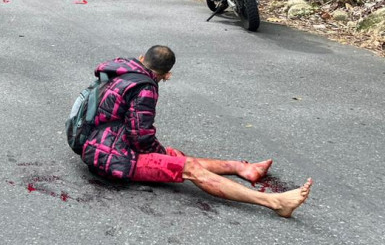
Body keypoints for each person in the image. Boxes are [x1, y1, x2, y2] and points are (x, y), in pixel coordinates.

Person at [78, 45, 313, 217]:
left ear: (142, 58)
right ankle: (274, 202)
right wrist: (160, 153)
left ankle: (241, 167)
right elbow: (141, 137)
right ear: (167, 75)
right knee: (186, 167)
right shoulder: (145, 87)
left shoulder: (121, 70)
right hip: (110, 159)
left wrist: (164, 153)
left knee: (173, 154)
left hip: (100, 143)